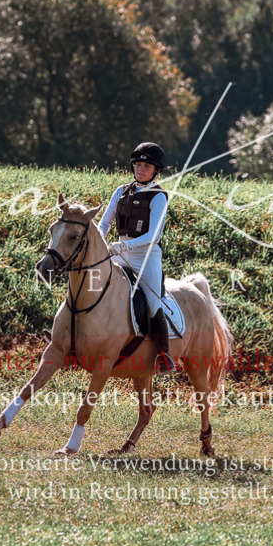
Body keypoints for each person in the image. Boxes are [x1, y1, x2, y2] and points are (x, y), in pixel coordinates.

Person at [98, 142, 176, 373]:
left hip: (146, 256)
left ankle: (164, 354)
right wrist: (101, 243)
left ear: (156, 170)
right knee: (90, 282)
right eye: (138, 164)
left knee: (152, 301)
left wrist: (122, 247)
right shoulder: (121, 191)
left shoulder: (159, 196)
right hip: (118, 251)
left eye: (146, 165)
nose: (140, 169)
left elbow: (153, 235)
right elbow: (104, 223)